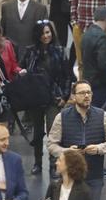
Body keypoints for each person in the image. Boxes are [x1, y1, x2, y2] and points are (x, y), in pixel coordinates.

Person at [19, 20, 69, 174]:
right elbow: (21, 68)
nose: (46, 36)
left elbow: (67, 76)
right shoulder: (31, 51)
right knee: (38, 131)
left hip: (54, 96)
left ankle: (54, 164)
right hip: (35, 96)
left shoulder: (60, 51)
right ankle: (38, 162)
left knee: (54, 131)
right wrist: (22, 73)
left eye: (48, 32)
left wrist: (64, 96)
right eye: (43, 33)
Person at [79, 5, 106, 107]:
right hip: (100, 86)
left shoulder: (85, 34)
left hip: (88, 82)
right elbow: (103, 65)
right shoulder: (102, 37)